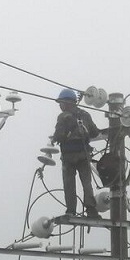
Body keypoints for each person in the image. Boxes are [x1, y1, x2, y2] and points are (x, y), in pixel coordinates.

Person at [51, 88, 101, 218]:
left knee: (69, 184)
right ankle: (91, 210)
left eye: (61, 103)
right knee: (86, 183)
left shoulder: (63, 117)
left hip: (68, 156)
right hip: (83, 154)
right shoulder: (85, 115)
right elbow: (95, 132)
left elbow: (58, 135)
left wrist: (56, 138)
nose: (60, 106)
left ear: (68, 103)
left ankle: (71, 211)